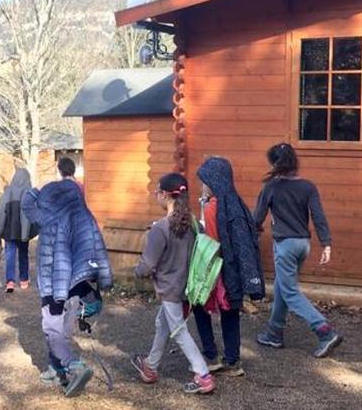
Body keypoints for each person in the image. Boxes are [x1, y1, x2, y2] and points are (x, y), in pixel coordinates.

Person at [21, 176, 112, 398]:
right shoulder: (85, 216)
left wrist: (35, 190)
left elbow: (26, 204)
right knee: (63, 327)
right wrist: (105, 279)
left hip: (54, 287)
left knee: (52, 329)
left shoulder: (48, 218)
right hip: (76, 285)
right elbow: (99, 250)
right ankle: (56, 368)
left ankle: (75, 366)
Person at [254, 143, 343, 358]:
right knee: (282, 287)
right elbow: (318, 216)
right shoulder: (308, 187)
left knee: (290, 292)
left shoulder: (271, 187)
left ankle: (324, 331)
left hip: (285, 246)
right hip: (303, 245)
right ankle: (274, 333)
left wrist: (252, 233)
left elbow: (257, 218)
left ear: (275, 163)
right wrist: (327, 244)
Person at [131, 173, 215, 395]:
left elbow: (147, 266)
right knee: (163, 324)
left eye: (157, 192)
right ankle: (150, 366)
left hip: (170, 289)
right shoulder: (194, 223)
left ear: (166, 195)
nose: (156, 196)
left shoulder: (161, 228)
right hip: (188, 286)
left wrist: (136, 272)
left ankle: (203, 374)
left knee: (178, 331)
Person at [193, 156, 265, 374]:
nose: (202, 186)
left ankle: (210, 355)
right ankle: (233, 360)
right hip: (235, 270)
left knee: (197, 305)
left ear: (213, 181)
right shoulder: (235, 202)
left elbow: (211, 241)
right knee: (230, 312)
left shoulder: (214, 206)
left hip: (217, 270)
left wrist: (199, 223)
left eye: (204, 181)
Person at [0, 168, 34, 293]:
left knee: (10, 256)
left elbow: (0, 215)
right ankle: (24, 280)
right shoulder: (28, 193)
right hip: (22, 232)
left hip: (9, 232)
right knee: (23, 255)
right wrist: (26, 234)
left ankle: (10, 282)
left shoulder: (7, 193)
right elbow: (28, 216)